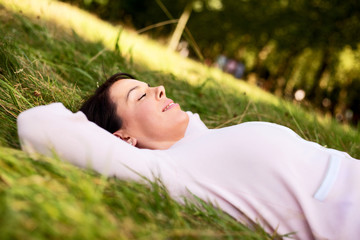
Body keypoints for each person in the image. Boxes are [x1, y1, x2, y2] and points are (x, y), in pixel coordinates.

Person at [17, 72, 360, 240]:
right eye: (140, 96)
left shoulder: (197, 137)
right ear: (124, 138)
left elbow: (188, 121)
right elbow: (36, 124)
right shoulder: (164, 169)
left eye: (151, 85)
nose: (160, 89)